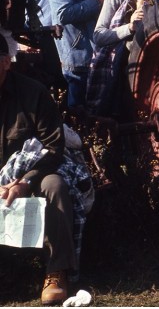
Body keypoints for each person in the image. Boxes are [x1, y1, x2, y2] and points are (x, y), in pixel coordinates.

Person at [0, 32, 76, 305]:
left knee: (55, 186)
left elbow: (53, 147)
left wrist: (25, 182)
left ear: (6, 62)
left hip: (31, 173)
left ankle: (57, 271)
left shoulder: (34, 93)